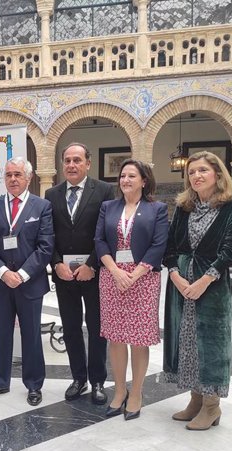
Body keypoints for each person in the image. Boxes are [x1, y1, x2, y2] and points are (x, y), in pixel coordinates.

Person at [162, 151, 232, 430]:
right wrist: (174, 275)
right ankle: (195, 400)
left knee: (211, 344)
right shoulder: (184, 206)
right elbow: (171, 246)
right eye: (192, 172)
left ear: (218, 174)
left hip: (211, 286)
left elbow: (230, 250)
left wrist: (204, 280)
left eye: (203, 171)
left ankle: (212, 406)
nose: (196, 176)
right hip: (181, 285)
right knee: (184, 341)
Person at [94, 159, 168, 420]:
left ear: (144, 180)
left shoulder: (156, 208)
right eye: (122, 175)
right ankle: (120, 390)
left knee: (138, 338)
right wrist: (115, 271)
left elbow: (159, 245)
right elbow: (99, 241)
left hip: (143, 280)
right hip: (112, 277)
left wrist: (134, 275)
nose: (125, 180)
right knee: (115, 337)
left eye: (131, 176)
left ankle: (136, 392)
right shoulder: (108, 207)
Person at [0, 157, 54, 406]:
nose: (12, 179)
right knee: (1, 334)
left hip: (29, 283)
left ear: (28, 178)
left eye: (17, 175)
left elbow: (45, 248)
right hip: (0, 283)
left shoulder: (42, 206)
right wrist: (3, 272)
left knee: (31, 335)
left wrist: (21, 275)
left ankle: (34, 384)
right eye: (9, 174)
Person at [44, 143, 114, 405]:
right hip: (64, 276)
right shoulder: (52, 194)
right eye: (67, 161)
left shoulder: (105, 190)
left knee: (97, 328)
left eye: (77, 160)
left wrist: (92, 265)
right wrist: (56, 264)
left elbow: (107, 233)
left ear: (88, 163)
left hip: (93, 274)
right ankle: (78, 379)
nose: (71, 165)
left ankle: (97, 381)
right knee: (71, 327)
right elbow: (47, 234)